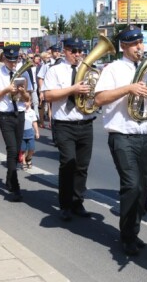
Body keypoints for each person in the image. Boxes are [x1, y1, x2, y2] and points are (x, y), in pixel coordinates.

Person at [94, 25, 147, 256]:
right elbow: (99, 98)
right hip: (122, 135)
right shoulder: (113, 69)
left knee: (143, 190)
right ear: (123, 46)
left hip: (146, 134)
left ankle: (133, 232)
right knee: (132, 186)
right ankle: (126, 236)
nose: (139, 47)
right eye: (134, 44)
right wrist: (128, 88)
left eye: (141, 42)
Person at [43, 38, 96, 221]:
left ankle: (77, 201)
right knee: (68, 163)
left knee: (82, 166)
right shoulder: (55, 70)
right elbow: (48, 95)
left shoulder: (89, 70)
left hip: (86, 123)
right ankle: (65, 204)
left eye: (80, 51)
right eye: (74, 51)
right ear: (65, 51)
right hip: (64, 124)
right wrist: (73, 89)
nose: (78, 54)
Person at [0, 45, 31, 202]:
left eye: (16, 60)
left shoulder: (23, 72)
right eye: (11, 60)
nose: (14, 64)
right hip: (5, 115)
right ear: (4, 59)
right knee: (12, 150)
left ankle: (9, 178)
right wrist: (7, 90)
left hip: (19, 114)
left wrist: (23, 92)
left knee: (17, 150)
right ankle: (15, 187)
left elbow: (28, 99)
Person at [20, 101, 39, 171]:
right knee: (23, 149)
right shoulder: (21, 111)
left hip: (30, 132)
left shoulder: (32, 112)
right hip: (22, 133)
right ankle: (24, 162)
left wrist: (37, 132)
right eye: (24, 101)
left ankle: (28, 158)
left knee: (32, 148)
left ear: (30, 102)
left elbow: (34, 122)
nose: (25, 103)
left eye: (27, 101)